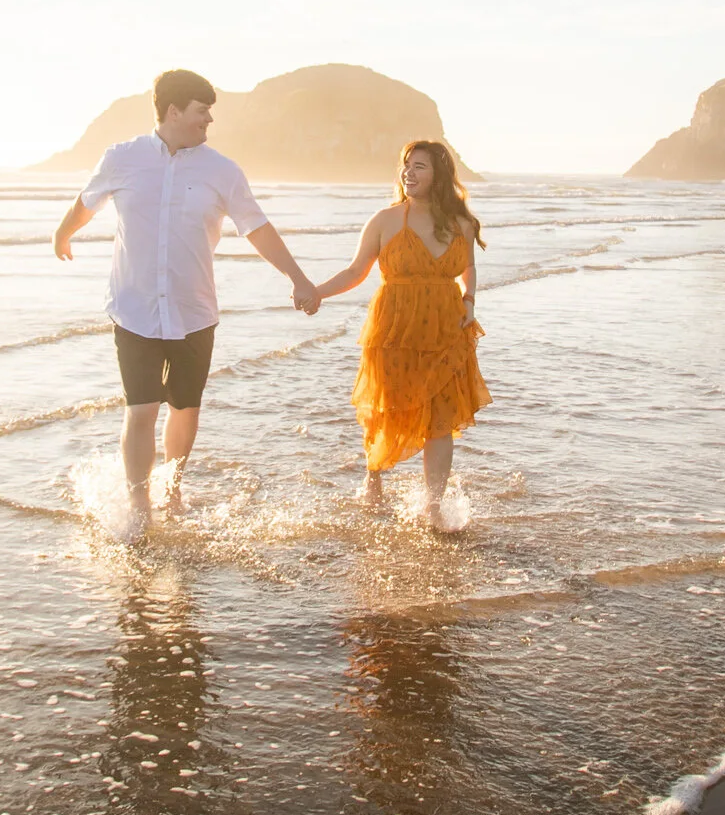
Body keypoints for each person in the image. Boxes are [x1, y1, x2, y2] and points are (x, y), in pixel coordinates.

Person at [53, 69, 319, 537]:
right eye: (202, 110)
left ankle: (172, 484)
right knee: (141, 408)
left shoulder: (222, 170)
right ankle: (140, 503)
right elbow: (86, 201)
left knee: (185, 407)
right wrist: (63, 231)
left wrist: (297, 277)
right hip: (134, 308)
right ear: (173, 111)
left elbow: (256, 226)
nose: (209, 119)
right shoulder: (123, 158)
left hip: (194, 310)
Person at [307, 139, 491, 530]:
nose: (409, 172)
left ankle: (433, 506)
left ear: (439, 174)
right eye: (406, 165)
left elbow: (468, 268)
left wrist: (470, 302)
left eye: (420, 166)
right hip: (394, 330)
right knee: (388, 407)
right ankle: (373, 478)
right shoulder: (385, 220)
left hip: (445, 329)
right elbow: (356, 272)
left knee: (440, 419)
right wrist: (316, 291)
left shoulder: (460, 223)